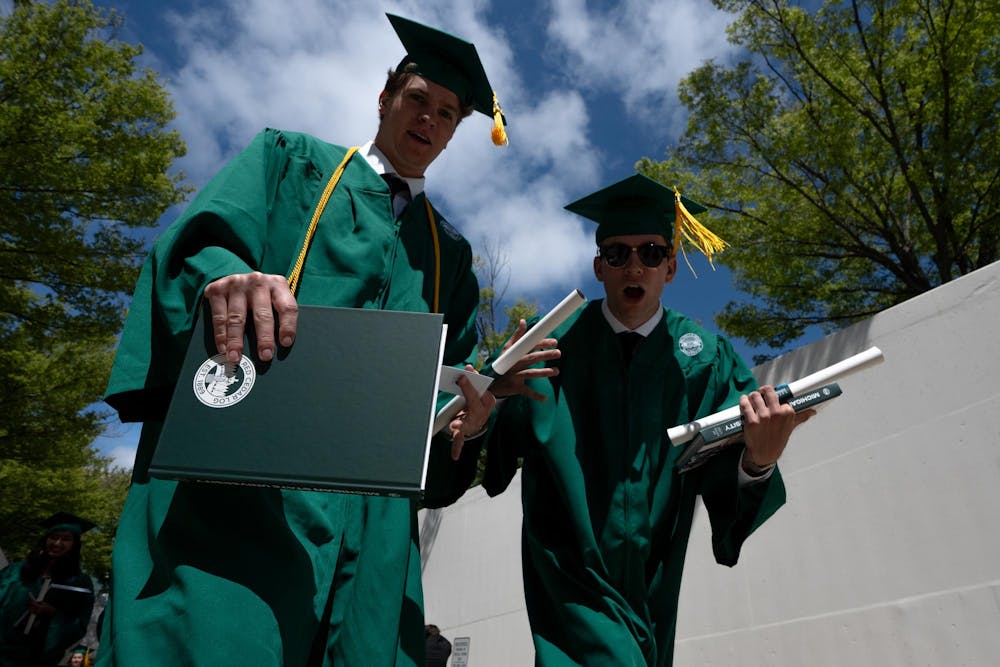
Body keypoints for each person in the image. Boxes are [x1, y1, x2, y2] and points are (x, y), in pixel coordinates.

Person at [96, 13, 554, 667]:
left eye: (448, 113)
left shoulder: (449, 254)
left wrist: (473, 412)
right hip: (251, 481)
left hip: (372, 526)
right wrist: (226, 280)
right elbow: (206, 244)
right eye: (417, 99)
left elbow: (441, 387)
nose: (429, 119)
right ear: (384, 97)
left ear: (455, 132)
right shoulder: (290, 163)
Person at [463, 174, 814, 666]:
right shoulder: (548, 349)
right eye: (617, 253)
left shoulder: (707, 361)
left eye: (650, 253)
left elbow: (731, 463)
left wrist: (760, 460)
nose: (634, 266)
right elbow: (487, 451)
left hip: (654, 577)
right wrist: (485, 408)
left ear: (670, 268)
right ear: (597, 267)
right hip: (571, 576)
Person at [0, 513, 96, 667]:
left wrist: (52, 614)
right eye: (53, 537)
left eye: (65, 539)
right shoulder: (15, 571)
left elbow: (80, 626)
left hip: (41, 658)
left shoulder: (80, 583)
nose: (57, 543)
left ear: (75, 545)